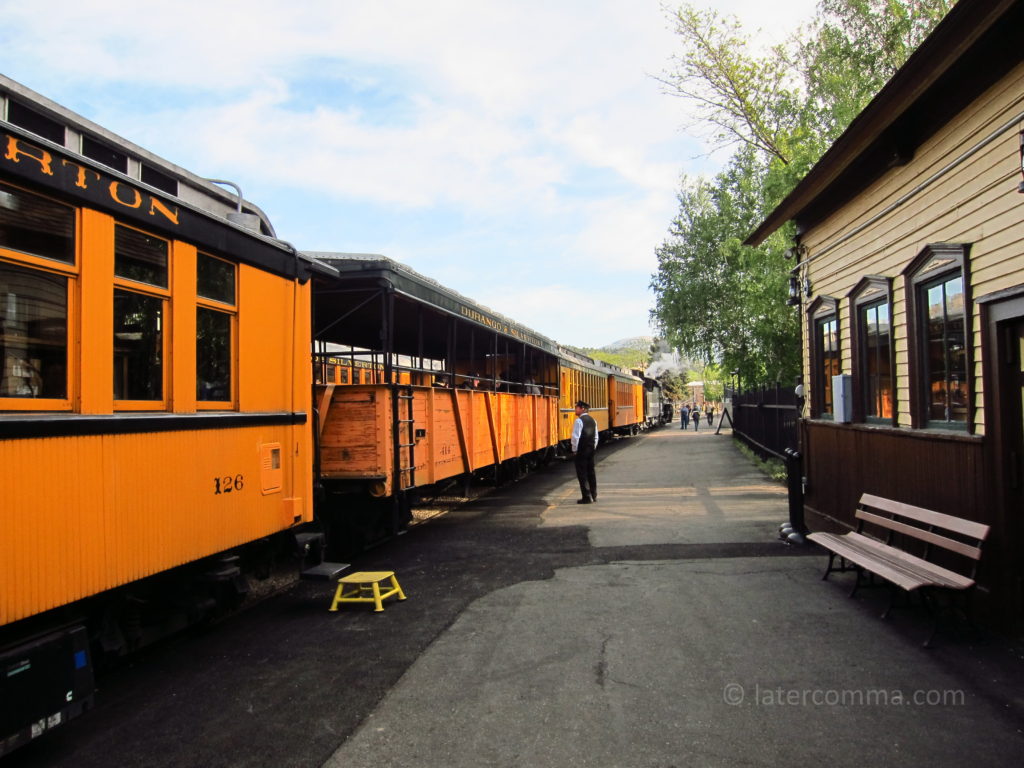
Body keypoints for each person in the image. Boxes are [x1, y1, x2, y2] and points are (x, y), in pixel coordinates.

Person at [571, 400, 599, 504]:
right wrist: (593, 447)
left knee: (582, 474)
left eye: (576, 407)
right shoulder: (593, 420)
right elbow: (596, 436)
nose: (575, 409)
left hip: (581, 451)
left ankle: (586, 497)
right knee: (591, 472)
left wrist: (574, 450)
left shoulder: (579, 421)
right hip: (591, 450)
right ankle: (594, 495)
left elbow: (575, 437)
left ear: (582, 408)